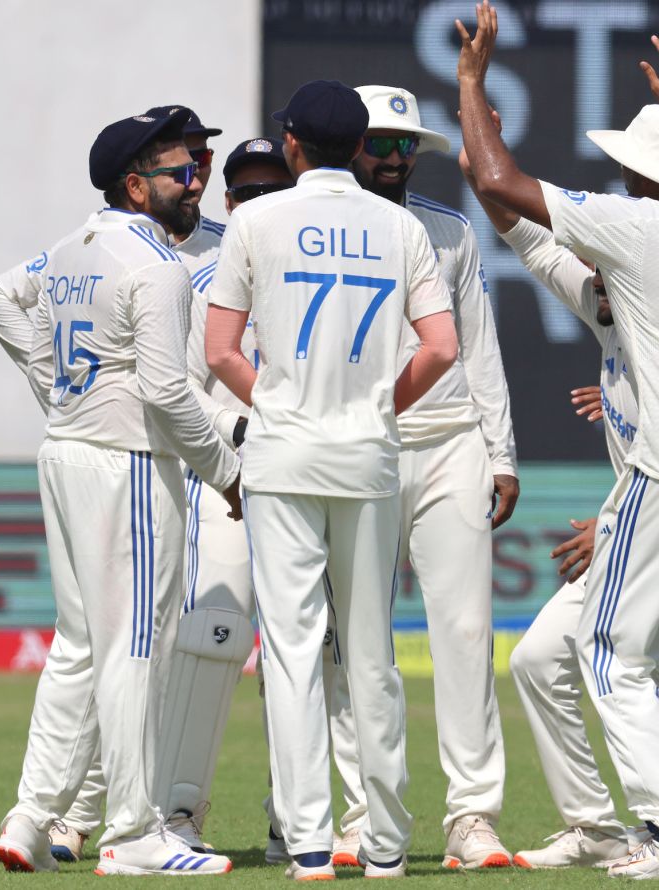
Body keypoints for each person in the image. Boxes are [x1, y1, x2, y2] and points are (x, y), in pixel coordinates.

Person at [459, 7, 659, 878]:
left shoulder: (637, 228)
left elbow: (501, 184)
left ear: (640, 176)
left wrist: (469, 88)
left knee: (609, 651)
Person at [205, 79, 456, 882]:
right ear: (357, 147)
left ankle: (309, 841)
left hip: (284, 453)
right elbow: (442, 348)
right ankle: (384, 843)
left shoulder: (254, 220)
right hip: (368, 454)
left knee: (292, 651)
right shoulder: (398, 225)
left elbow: (218, 351)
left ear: (291, 146)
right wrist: (382, 403)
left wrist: (275, 402)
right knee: (372, 654)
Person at [0, 108, 240, 875]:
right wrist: (229, 474)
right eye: (179, 171)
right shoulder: (155, 264)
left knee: (78, 648)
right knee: (132, 647)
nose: (195, 181)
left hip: (66, 456)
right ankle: (134, 834)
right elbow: (166, 391)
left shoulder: (69, 249)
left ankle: (30, 819)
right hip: (128, 463)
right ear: (136, 184)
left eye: (194, 168)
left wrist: (61, 388)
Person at [321, 83, 517, 870]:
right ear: (351, 146)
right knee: (359, 639)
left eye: (408, 146)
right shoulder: (320, 231)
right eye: (382, 143)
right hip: (359, 445)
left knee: (467, 632)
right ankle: (363, 810)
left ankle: (473, 818)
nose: (398, 158)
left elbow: (477, 348)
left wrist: (500, 451)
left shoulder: (451, 231)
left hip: (449, 443)